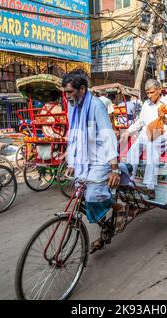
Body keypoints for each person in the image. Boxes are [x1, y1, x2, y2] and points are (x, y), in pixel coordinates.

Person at [63, 71, 122, 253]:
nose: (67, 96)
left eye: (70, 92)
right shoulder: (72, 105)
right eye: (65, 93)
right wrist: (71, 162)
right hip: (82, 159)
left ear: (82, 89)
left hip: (101, 159)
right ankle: (106, 225)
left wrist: (114, 169)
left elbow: (108, 136)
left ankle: (119, 208)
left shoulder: (96, 106)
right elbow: (73, 135)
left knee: (92, 195)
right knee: (80, 196)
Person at [120, 79, 167, 199]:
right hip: (148, 132)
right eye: (147, 93)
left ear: (159, 90)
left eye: (152, 92)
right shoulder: (146, 104)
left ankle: (150, 186)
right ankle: (129, 181)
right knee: (133, 149)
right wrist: (128, 131)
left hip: (166, 132)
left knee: (152, 147)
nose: (149, 96)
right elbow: (140, 121)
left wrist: (166, 120)